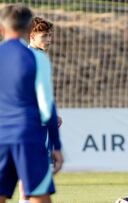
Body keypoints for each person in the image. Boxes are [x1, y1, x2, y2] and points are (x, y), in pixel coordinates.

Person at [0, 4, 63, 203]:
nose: (49, 39)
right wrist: (56, 145)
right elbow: (46, 106)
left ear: (2, 28)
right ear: (29, 30)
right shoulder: (36, 59)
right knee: (39, 196)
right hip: (28, 135)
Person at [17, 16, 63, 203]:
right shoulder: (30, 58)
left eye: (50, 35)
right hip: (30, 121)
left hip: (34, 119)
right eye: (44, 36)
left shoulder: (37, 57)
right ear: (31, 36)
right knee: (32, 167)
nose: (49, 40)